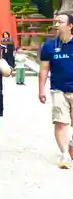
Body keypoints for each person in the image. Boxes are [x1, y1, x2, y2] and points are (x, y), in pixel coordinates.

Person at [39, 13, 73, 169]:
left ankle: (70, 143)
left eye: (61, 22)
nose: (57, 24)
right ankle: (65, 154)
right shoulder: (49, 46)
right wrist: (41, 90)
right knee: (60, 122)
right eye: (56, 21)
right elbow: (44, 69)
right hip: (58, 89)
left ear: (70, 26)